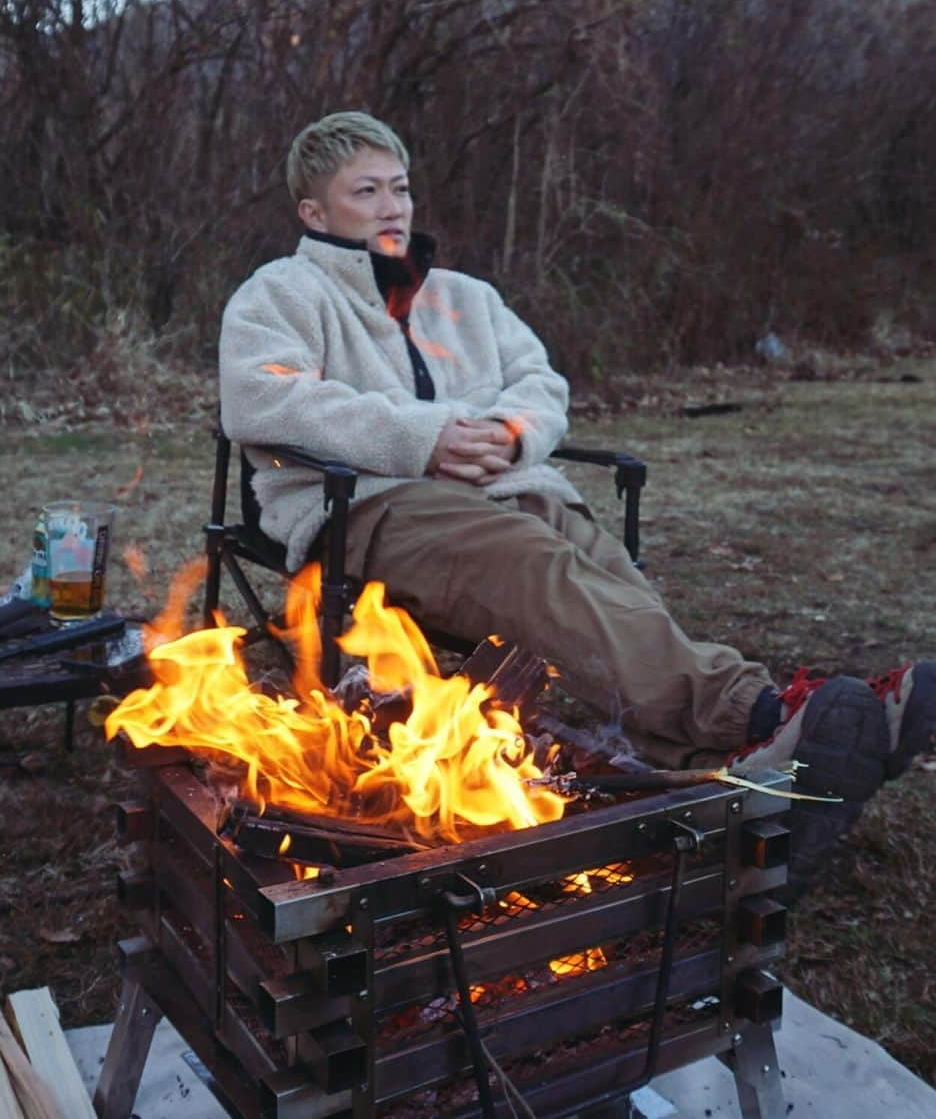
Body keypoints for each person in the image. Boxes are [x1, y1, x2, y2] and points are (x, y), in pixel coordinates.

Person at [218, 110, 935, 896]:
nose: (394, 206)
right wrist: (424, 437)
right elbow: (263, 400)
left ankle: (723, 784)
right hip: (368, 506)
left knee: (603, 570)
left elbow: (541, 383)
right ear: (314, 213)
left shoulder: (464, 297)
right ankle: (763, 714)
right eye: (366, 191)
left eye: (401, 187)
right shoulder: (283, 294)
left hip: (505, 490)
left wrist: (509, 433)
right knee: (539, 569)